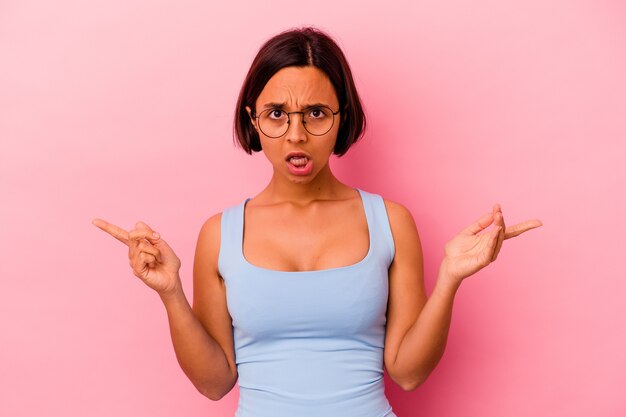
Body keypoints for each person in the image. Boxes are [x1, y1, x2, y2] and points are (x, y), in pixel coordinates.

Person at [92, 27, 542, 417]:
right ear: (252, 118)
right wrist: (171, 294)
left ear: (341, 115)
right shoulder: (219, 234)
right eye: (276, 115)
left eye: (316, 113)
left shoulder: (390, 221)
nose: (296, 134)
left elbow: (408, 374)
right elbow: (215, 383)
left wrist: (449, 279)